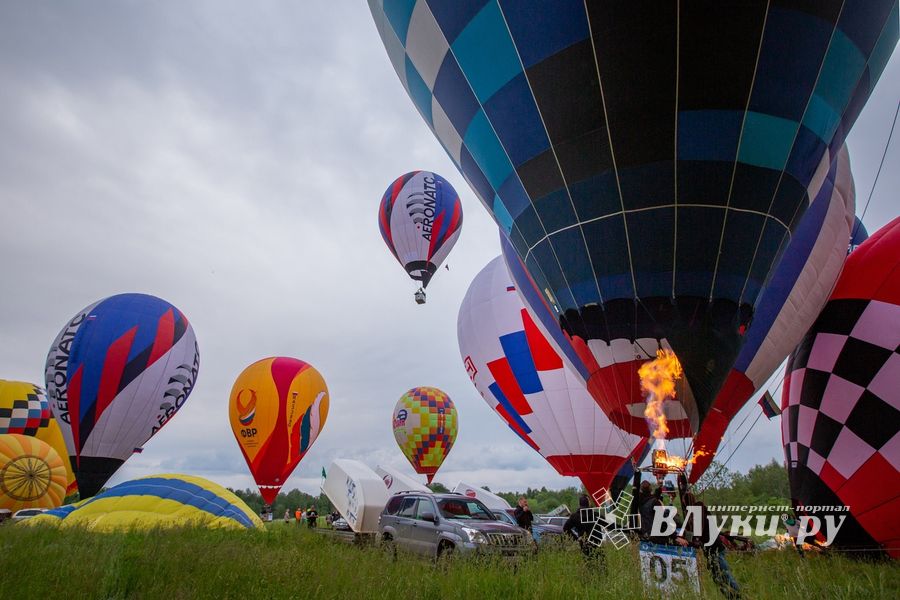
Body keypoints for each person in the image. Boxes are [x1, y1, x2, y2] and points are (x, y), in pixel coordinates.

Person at [683, 492, 741, 600]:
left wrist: (694, 540)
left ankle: (739, 596)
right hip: (711, 549)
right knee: (717, 578)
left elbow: (698, 531)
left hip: (715, 548)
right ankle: (732, 596)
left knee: (724, 574)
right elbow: (693, 531)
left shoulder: (698, 511)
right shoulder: (696, 513)